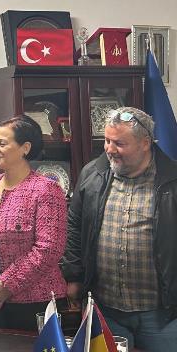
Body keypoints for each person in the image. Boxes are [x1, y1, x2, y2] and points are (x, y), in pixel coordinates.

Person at [62, 106, 177, 350]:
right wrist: (73, 277)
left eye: (119, 143)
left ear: (145, 143)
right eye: (107, 140)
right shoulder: (92, 174)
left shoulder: (172, 180)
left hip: (163, 313)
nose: (109, 149)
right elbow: (75, 227)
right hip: (106, 310)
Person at [0, 115, 67, 331]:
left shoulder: (46, 189)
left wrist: (7, 285)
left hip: (35, 303)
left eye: (2, 143)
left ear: (25, 148)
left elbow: (49, 249)